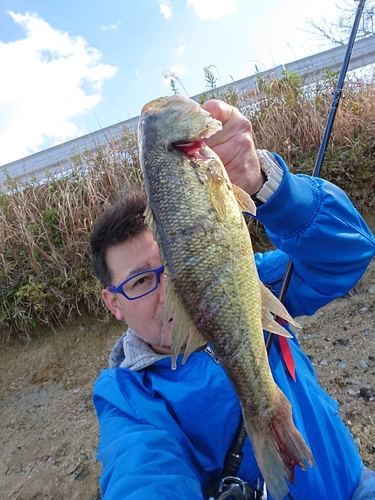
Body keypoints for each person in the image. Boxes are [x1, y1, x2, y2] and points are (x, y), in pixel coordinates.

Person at [90, 99, 375, 500]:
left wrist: (267, 186)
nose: (169, 289)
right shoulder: (128, 399)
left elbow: (351, 252)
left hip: (356, 484)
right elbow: (141, 475)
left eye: (173, 261)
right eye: (139, 282)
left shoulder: (248, 282)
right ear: (112, 303)